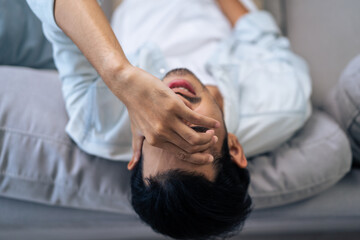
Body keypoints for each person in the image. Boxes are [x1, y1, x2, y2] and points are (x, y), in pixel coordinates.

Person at [26, 0, 312, 239]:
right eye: (197, 135)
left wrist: (118, 74)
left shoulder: (96, 121)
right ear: (234, 147)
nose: (176, 107)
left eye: (161, 134)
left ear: (136, 152)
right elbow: (260, 35)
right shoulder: (283, 105)